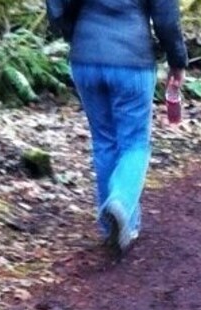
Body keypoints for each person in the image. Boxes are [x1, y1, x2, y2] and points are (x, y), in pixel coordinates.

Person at [67, 0, 188, 255]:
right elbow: (166, 17)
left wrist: (75, 35)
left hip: (84, 58)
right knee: (134, 143)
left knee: (104, 142)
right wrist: (177, 60)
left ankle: (114, 227)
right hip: (132, 60)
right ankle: (121, 202)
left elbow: (58, 6)